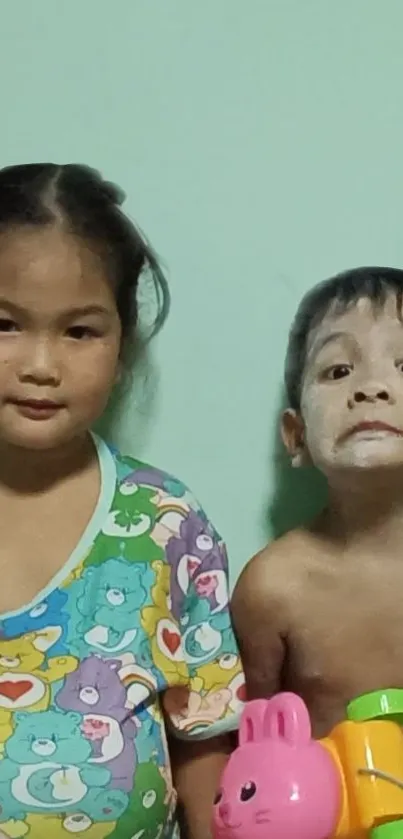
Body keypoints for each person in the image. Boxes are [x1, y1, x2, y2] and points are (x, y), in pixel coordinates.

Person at [0, 163, 244, 839]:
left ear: (123, 342)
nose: (41, 364)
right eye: (5, 324)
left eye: (79, 331)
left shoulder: (166, 523)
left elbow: (205, 735)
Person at [232, 267, 403, 739]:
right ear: (297, 435)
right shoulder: (273, 588)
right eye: (338, 371)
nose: (372, 388)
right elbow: (253, 748)